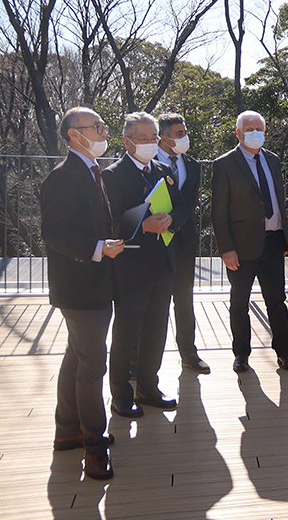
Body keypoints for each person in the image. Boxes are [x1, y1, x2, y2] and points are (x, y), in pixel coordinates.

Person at [41, 106, 123, 480]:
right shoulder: (62, 177)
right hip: (78, 287)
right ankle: (95, 446)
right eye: (96, 127)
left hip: (95, 283)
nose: (102, 131)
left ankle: (67, 430)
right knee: (93, 364)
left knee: (77, 356)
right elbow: (54, 234)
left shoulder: (92, 172)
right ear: (75, 135)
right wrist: (97, 248)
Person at [102, 111, 188, 418]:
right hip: (129, 265)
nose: (150, 143)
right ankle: (121, 394)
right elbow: (111, 222)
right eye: (143, 138)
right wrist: (143, 226)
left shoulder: (164, 168)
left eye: (153, 137)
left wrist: (171, 221)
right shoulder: (112, 174)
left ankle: (149, 387)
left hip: (162, 262)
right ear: (127, 141)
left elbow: (182, 206)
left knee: (156, 328)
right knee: (126, 331)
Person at [211, 110, 288, 374]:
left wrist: (283, 236)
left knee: (277, 300)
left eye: (259, 128)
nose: (255, 133)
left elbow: (277, 199)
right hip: (241, 246)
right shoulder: (224, 164)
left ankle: (284, 352)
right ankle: (241, 354)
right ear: (238, 133)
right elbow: (218, 211)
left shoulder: (272, 160)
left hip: (272, 242)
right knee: (240, 302)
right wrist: (226, 248)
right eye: (249, 129)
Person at [157, 113, 211, 374]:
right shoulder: (148, 161)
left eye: (184, 132)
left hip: (183, 239)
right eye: (179, 133)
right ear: (163, 136)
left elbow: (189, 203)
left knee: (184, 299)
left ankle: (188, 352)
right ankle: (136, 359)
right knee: (151, 301)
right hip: (153, 240)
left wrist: (175, 222)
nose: (184, 137)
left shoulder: (192, 164)